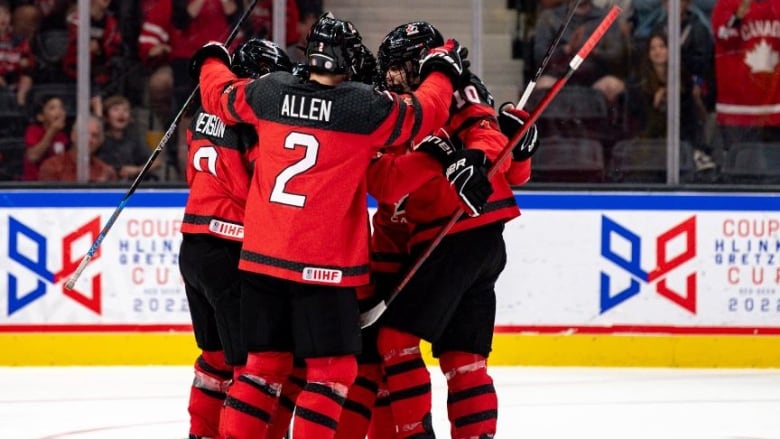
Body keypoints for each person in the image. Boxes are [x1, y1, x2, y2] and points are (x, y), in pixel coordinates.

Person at [190, 11, 477, 439]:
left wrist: (212, 58)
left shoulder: (268, 91)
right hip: (324, 268)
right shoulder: (362, 105)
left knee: (261, 369)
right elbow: (426, 111)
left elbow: (219, 95)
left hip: (261, 262)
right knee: (331, 372)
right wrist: (441, 68)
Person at [357, 21, 539, 439]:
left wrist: (481, 159)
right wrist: (513, 156)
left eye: (398, 67)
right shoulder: (417, 101)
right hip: (481, 239)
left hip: (453, 234)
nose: (391, 77)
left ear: (421, 61)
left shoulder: (456, 88)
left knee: (394, 342)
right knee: (464, 359)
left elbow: (484, 134)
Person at [179, 38, 293, 439]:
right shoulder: (248, 123)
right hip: (230, 248)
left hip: (193, 244)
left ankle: (201, 433)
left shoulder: (199, 112)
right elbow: (263, 188)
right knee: (250, 364)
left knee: (213, 359)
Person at [712, 0, 780, 146]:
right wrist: (737, 16)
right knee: (740, 164)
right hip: (737, 111)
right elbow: (723, 36)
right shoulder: (726, 4)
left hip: (775, 109)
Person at [98, 94, 161, 181]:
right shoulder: (100, 140)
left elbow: (156, 162)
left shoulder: (134, 140)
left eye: (125, 110)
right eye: (116, 109)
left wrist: (136, 170)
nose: (121, 113)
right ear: (106, 117)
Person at [38, 114, 117, 182]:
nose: (89, 139)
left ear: (100, 141)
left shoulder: (104, 171)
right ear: (73, 136)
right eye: (84, 134)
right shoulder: (52, 166)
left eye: (94, 136)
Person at [21, 93, 68, 181]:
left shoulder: (62, 136)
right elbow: (33, 157)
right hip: (34, 184)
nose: (59, 112)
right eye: (52, 108)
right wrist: (52, 131)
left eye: (61, 107)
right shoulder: (33, 131)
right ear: (40, 117)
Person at [0, 0, 34, 106]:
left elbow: (29, 61)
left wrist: (27, 62)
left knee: (27, 79)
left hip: (15, 77)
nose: (3, 17)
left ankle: (19, 106)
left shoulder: (18, 39)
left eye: (6, 13)